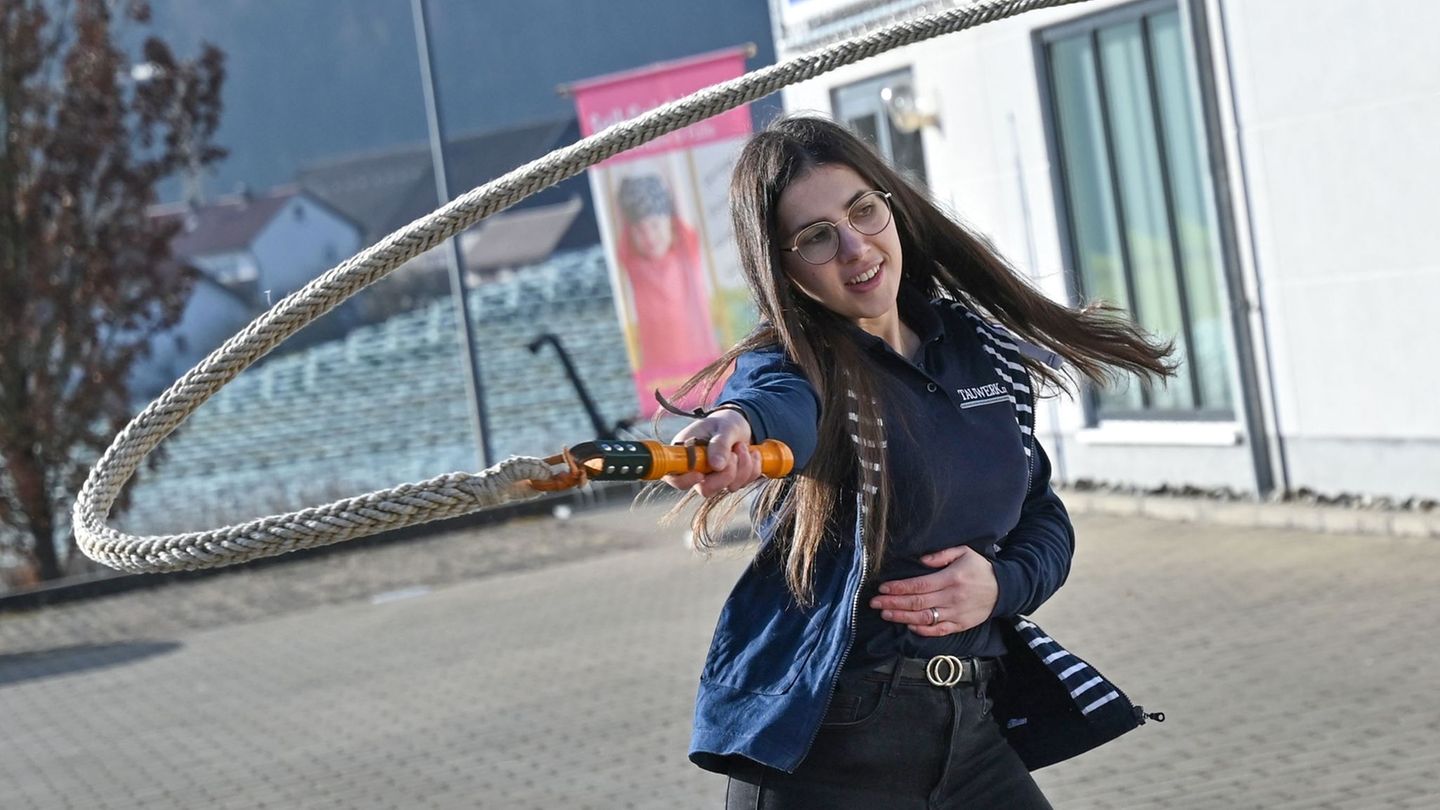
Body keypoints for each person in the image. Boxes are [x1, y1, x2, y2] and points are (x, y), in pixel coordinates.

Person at [660, 115, 1173, 808]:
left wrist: (1002, 584)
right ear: (782, 267)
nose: (854, 247)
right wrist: (732, 425)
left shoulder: (978, 350)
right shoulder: (797, 367)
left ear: (890, 205)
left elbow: (1040, 516)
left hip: (969, 730)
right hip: (828, 751)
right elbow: (773, 400)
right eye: (816, 238)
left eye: (862, 211)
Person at [614, 172, 721, 376]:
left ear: (670, 223)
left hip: (701, 358)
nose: (649, 236)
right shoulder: (634, 262)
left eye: (655, 225)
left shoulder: (685, 251)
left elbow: (680, 203)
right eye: (639, 230)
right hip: (660, 368)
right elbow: (620, 223)